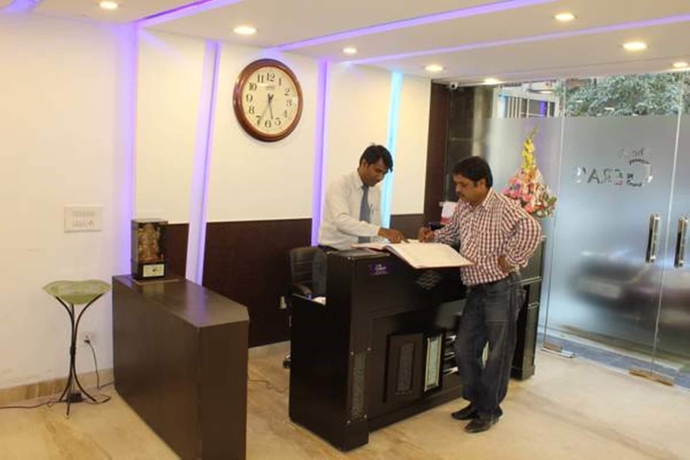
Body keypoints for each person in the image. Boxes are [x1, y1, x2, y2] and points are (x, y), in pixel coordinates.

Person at [418, 157, 541, 434]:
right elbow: (452, 233)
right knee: (464, 348)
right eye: (457, 184)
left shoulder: (503, 206)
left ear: (481, 183)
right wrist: (432, 236)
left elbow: (532, 229)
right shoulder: (464, 206)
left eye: (463, 185)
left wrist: (511, 259)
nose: (458, 190)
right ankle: (477, 402)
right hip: (476, 289)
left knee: (498, 354)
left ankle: (489, 411)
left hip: (502, 289)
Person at [313, 144, 407, 297]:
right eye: (377, 170)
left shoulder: (376, 191)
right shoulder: (340, 185)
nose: (380, 178)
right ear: (364, 164)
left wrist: (387, 245)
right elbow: (342, 221)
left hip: (362, 259)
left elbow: (375, 226)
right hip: (333, 257)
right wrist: (381, 231)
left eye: (384, 173)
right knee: (330, 307)